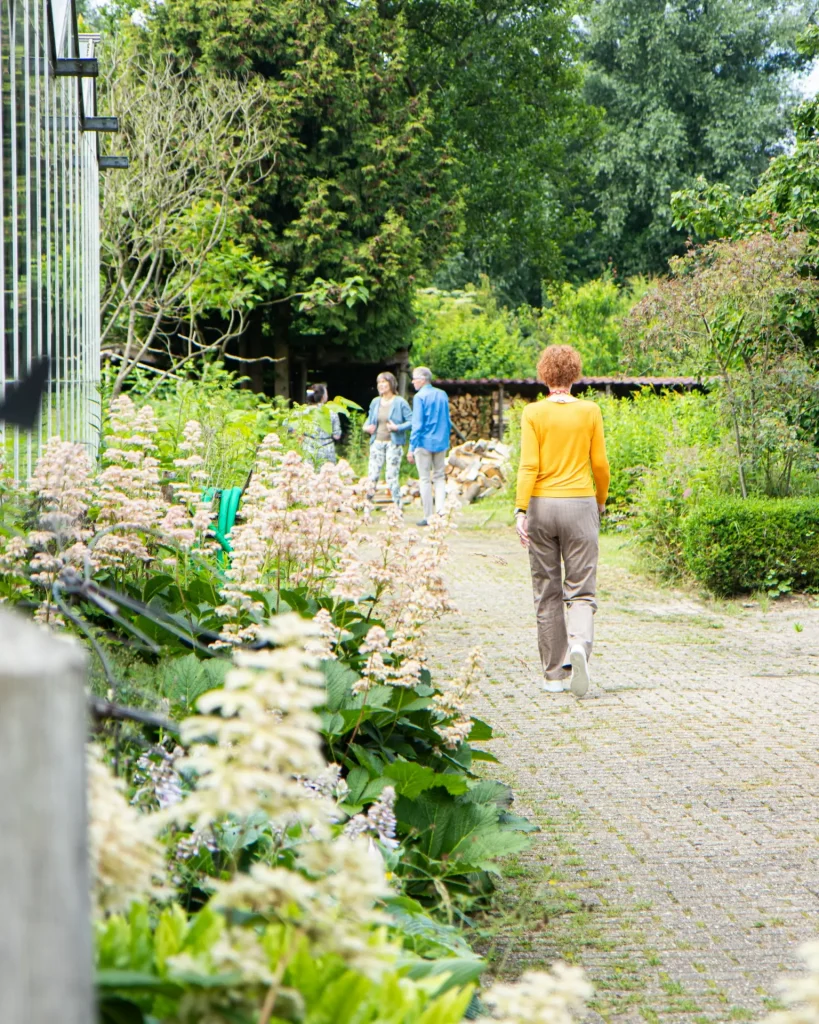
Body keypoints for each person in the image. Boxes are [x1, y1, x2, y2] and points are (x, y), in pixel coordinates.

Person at [514, 345, 610, 698]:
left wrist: (520, 509)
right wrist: (599, 501)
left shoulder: (533, 413)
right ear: (574, 375)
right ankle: (579, 646)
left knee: (547, 591)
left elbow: (529, 466)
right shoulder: (590, 411)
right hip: (580, 503)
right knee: (581, 589)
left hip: (541, 505)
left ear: (544, 375)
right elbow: (600, 465)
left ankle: (554, 675)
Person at [408, 366, 452, 526]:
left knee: (425, 479)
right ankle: (440, 512)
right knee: (440, 477)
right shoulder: (442, 394)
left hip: (423, 442)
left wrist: (411, 448)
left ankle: (428, 516)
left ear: (422, 379)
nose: (412, 382)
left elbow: (417, 424)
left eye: (414, 378)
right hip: (441, 441)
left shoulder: (419, 397)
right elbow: (448, 420)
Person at [363, 371, 413, 506]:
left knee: (391, 477)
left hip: (393, 444)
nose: (381, 385)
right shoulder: (375, 402)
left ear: (391, 384)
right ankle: (367, 506)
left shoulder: (400, 402)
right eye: (379, 383)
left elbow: (411, 421)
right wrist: (366, 428)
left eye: (384, 382)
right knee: (372, 476)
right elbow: (368, 420)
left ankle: (398, 506)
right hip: (376, 443)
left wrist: (398, 428)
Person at [303, 383, 341, 465]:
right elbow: (337, 436)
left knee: (308, 474)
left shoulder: (303, 412)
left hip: (308, 448)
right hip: (327, 450)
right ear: (323, 397)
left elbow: (289, 427)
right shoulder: (332, 413)